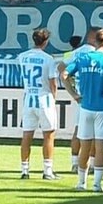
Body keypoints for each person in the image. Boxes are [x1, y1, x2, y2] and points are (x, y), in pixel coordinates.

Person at [62, 28, 103, 193]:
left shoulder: (83, 58)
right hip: (102, 107)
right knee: (100, 147)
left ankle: (81, 183)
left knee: (85, 145)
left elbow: (64, 74)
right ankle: (97, 184)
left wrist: (74, 94)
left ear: (94, 42)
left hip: (85, 107)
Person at [17, 28, 60, 180]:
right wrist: (54, 97)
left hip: (28, 98)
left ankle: (24, 170)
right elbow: (53, 82)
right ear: (46, 41)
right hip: (44, 98)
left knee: (27, 135)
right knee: (48, 134)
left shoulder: (22, 56)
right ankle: (47, 171)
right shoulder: (49, 59)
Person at [58, 28, 98, 173]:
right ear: (95, 37)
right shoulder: (98, 54)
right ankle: (93, 164)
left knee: (78, 130)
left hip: (81, 97)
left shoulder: (74, 53)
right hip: (94, 97)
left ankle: (75, 163)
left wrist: (73, 90)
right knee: (94, 133)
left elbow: (61, 68)